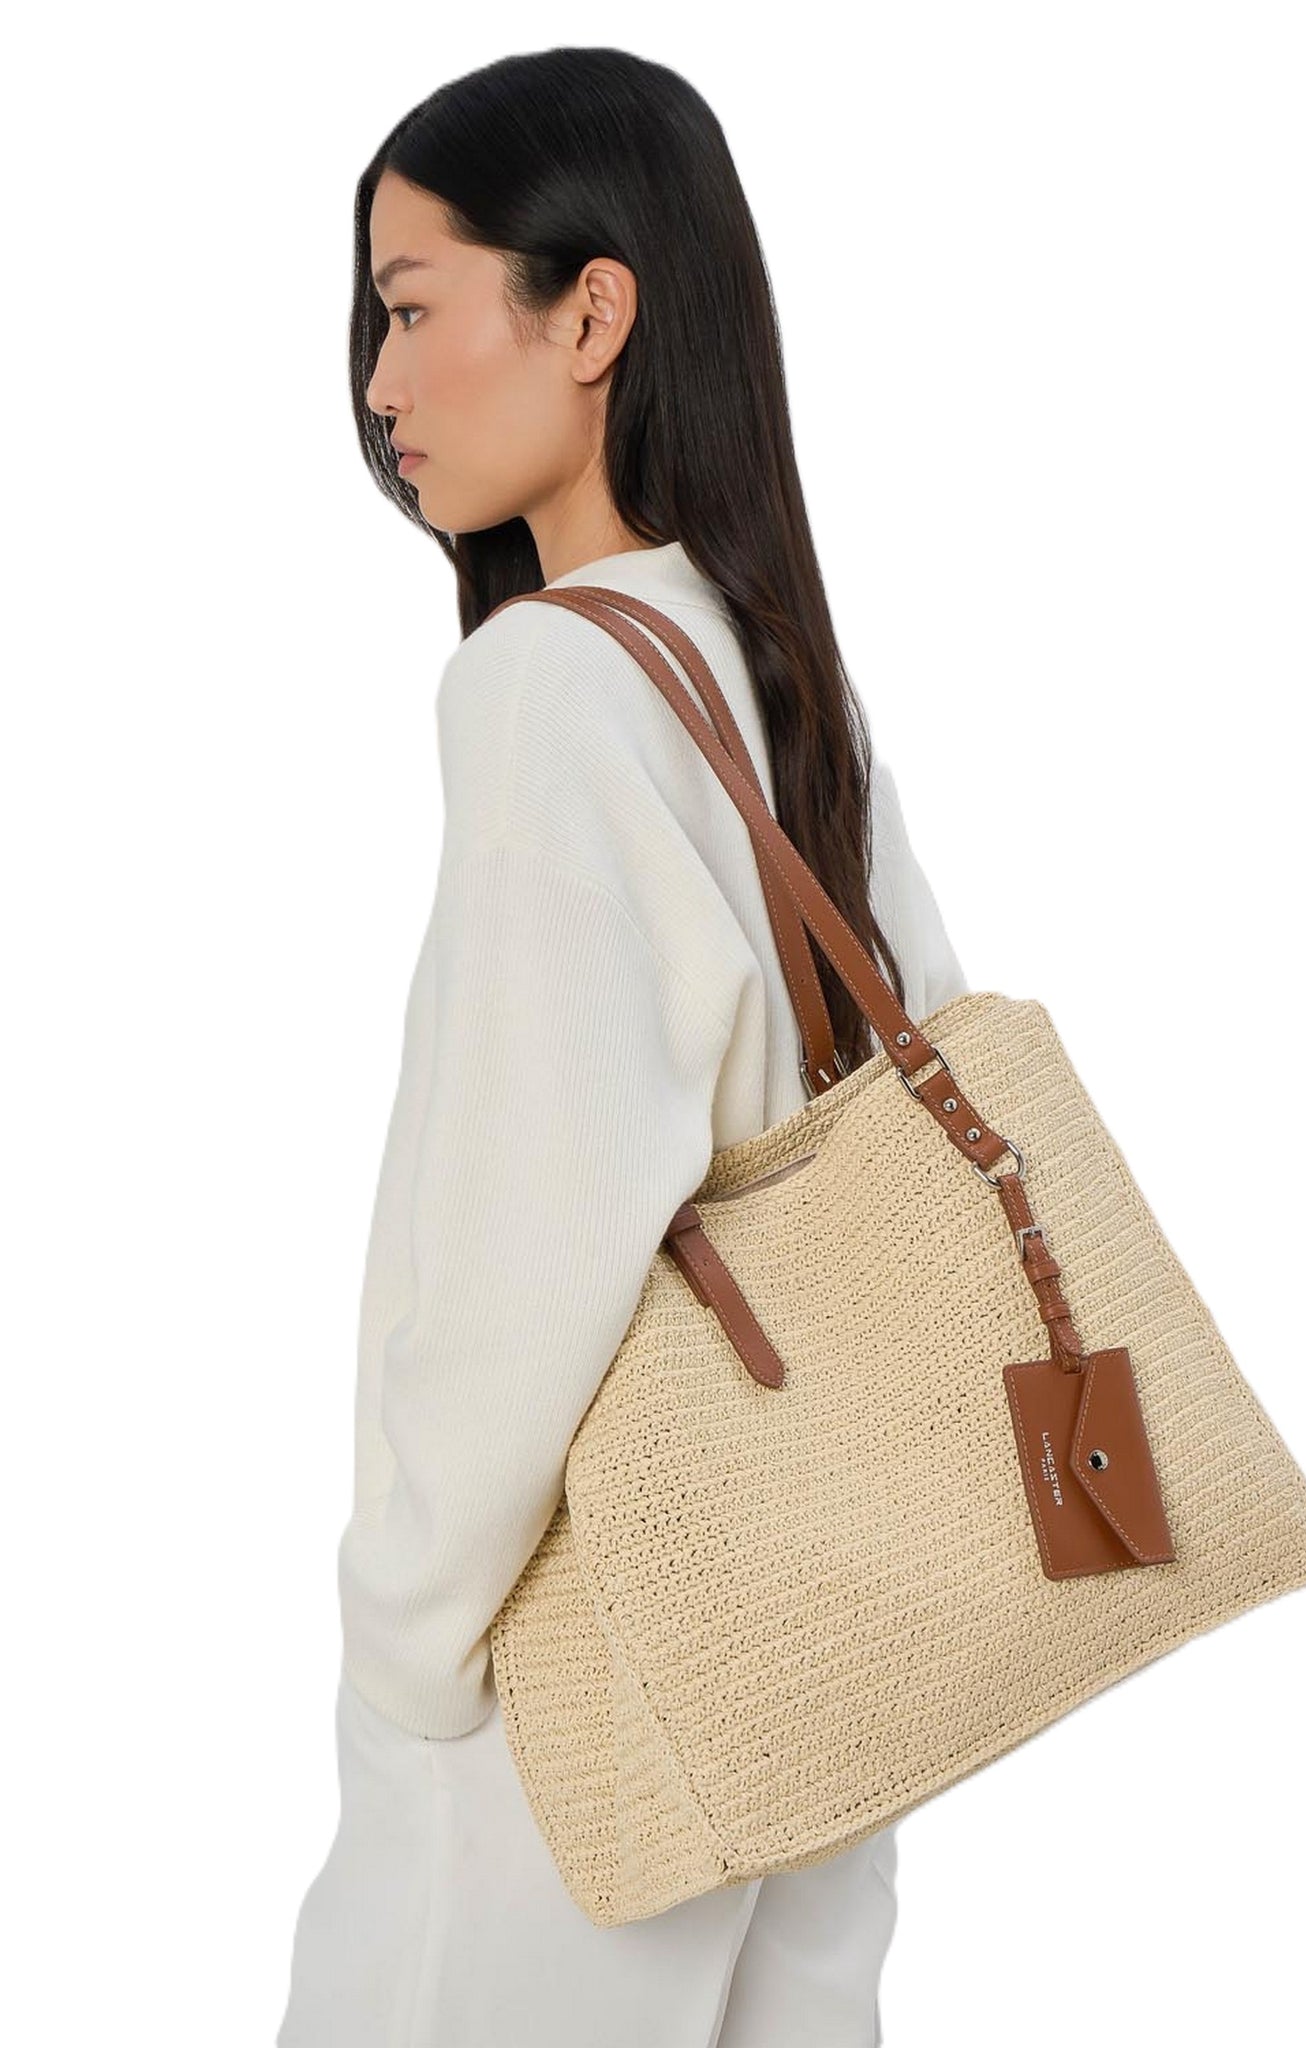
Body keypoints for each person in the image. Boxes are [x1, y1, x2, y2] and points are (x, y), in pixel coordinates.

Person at [277, 45, 969, 2048]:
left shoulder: (550, 690)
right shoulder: (783, 677)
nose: (380, 384)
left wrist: (407, 1630)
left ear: (592, 315)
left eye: (414, 309)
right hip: (827, 1638)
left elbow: (533, 1237)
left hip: (579, 1672)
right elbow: (925, 1084)